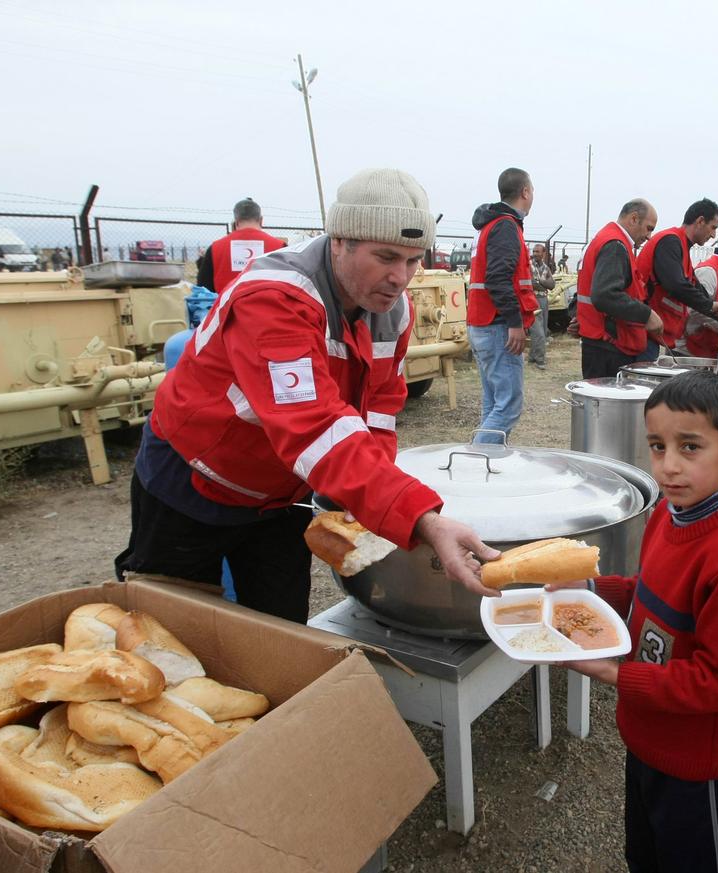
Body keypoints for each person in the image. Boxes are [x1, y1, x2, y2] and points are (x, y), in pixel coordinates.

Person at [114, 168, 499, 623]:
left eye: (413, 261)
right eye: (386, 256)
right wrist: (423, 519)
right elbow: (314, 424)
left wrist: (362, 502)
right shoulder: (275, 298)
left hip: (283, 492)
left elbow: (378, 407)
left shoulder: (391, 310)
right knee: (172, 624)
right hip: (196, 481)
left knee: (279, 626)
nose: (400, 278)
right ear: (339, 240)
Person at [558, 371, 718, 873]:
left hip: (699, 764)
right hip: (647, 737)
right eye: (657, 446)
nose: (669, 466)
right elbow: (645, 594)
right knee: (647, 855)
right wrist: (586, 590)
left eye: (690, 447)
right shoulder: (669, 515)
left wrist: (614, 672)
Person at [466, 167, 538, 444]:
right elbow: (498, 278)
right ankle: (474, 462)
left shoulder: (491, 224)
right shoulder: (506, 226)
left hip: (484, 324)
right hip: (497, 326)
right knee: (507, 407)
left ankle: (486, 466)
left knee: (494, 403)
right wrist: (514, 323)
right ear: (525, 192)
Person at [577, 199, 665, 379]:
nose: (649, 236)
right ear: (634, 219)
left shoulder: (608, 240)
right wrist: (647, 314)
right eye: (649, 228)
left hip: (602, 344)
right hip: (609, 346)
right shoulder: (615, 245)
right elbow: (604, 294)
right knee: (608, 405)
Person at [636, 199, 718, 352]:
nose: (713, 235)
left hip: (652, 334)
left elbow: (698, 292)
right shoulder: (670, 241)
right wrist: (711, 306)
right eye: (713, 228)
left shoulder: (682, 250)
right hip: (641, 331)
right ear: (700, 221)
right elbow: (677, 285)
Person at [196, 198, 286, 293]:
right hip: (269, 306)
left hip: (226, 306)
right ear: (261, 220)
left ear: (236, 221)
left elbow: (203, 289)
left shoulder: (215, 248)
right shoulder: (280, 248)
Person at [527, 242, 555, 370]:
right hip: (533, 298)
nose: (535, 254)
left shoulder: (545, 268)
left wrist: (541, 282)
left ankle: (532, 356)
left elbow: (552, 284)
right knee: (537, 331)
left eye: (538, 252)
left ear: (543, 253)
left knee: (542, 329)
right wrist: (543, 284)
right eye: (534, 251)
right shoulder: (528, 266)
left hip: (543, 299)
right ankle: (540, 359)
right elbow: (531, 283)